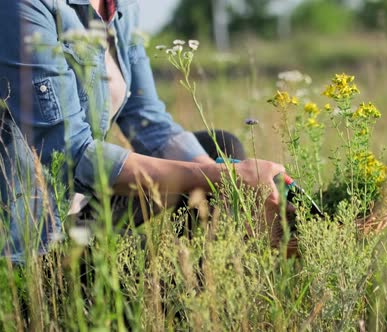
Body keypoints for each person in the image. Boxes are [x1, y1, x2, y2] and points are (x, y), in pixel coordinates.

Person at [0, 0, 285, 262]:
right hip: (39, 229)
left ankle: (217, 288)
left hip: (86, 203)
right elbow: (73, 155)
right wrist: (221, 177)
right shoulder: (24, 6)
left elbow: (147, 120)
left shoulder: (121, 7)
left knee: (221, 148)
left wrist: (230, 185)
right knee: (144, 271)